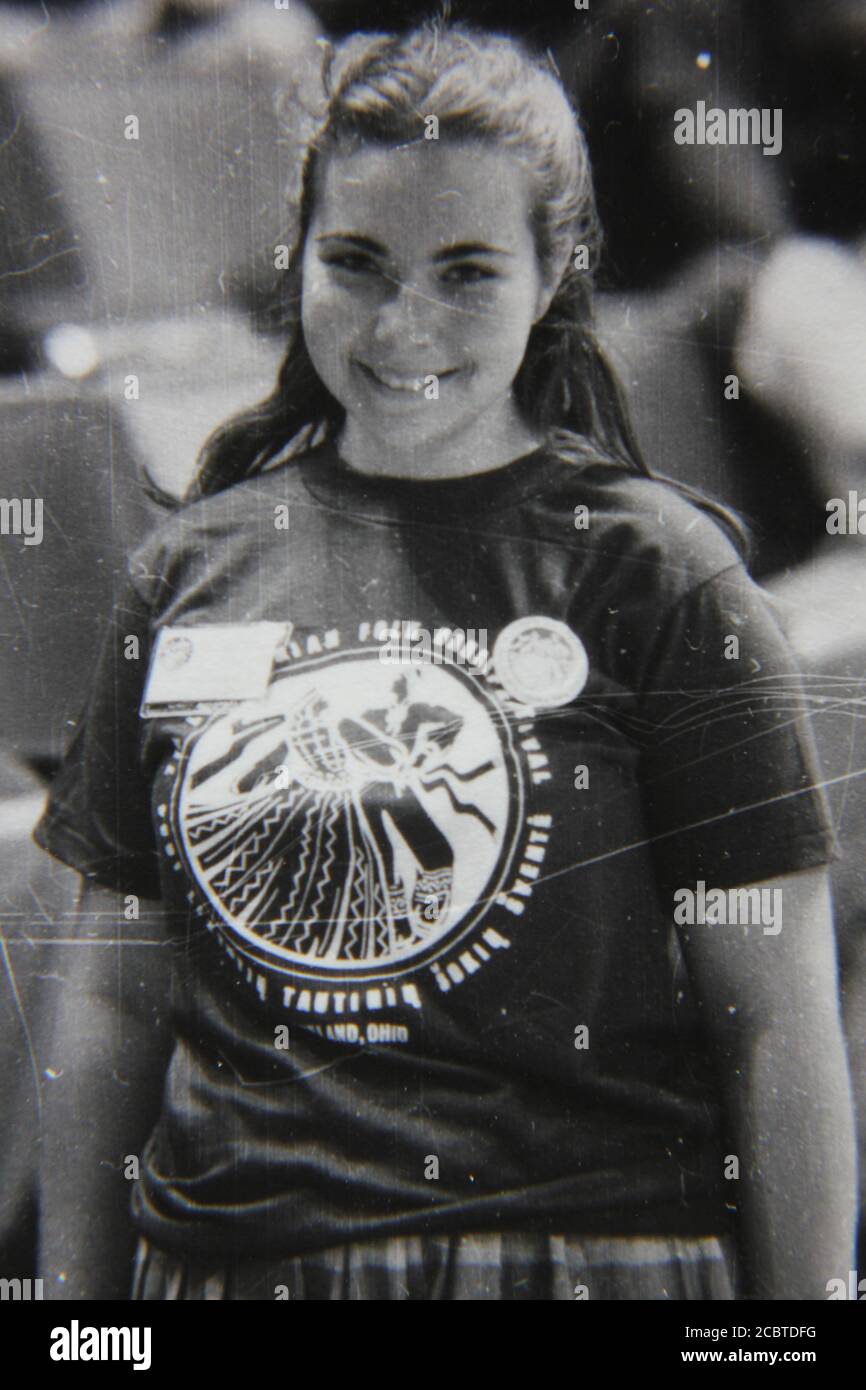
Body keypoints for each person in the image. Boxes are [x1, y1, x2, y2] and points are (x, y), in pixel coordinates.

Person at [35, 20, 856, 1301]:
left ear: (553, 276)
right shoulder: (188, 569)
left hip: (585, 1259)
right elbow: (107, 1011)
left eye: (465, 271)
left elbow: (779, 1024)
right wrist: (75, 1331)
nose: (401, 322)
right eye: (355, 262)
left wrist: (788, 1334)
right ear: (296, 256)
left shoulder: (657, 572)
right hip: (236, 1266)